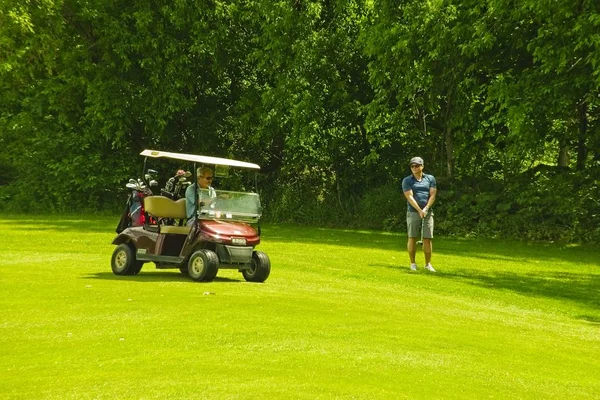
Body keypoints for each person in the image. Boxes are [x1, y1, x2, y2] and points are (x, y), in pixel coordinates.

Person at [402, 156, 437, 272]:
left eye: (416, 166)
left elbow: (432, 195)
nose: (414, 168)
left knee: (427, 238)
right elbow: (409, 197)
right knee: (412, 237)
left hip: (428, 211)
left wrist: (426, 208)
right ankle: (413, 263)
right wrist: (419, 210)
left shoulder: (430, 178)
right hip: (413, 212)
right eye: (412, 166)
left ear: (422, 166)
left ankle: (428, 264)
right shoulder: (407, 180)